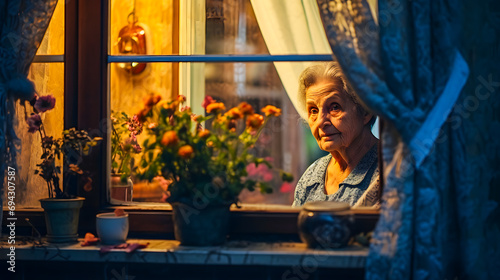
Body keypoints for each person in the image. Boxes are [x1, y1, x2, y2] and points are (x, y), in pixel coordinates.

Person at [293, 62, 380, 207]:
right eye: (313, 110)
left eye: (334, 107)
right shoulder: (312, 177)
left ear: (365, 111)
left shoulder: (389, 172)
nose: (321, 122)